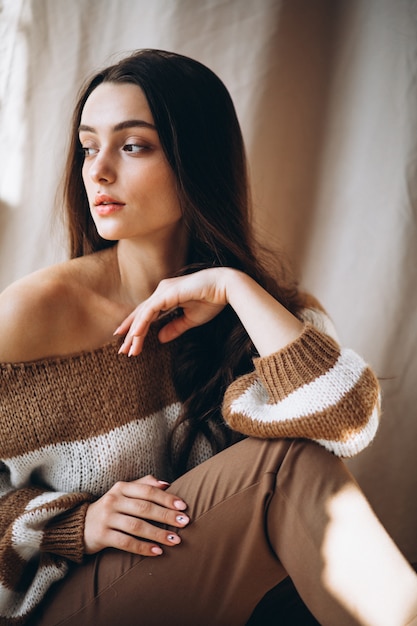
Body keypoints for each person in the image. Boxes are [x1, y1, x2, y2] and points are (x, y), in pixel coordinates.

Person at [0, 49, 416, 626]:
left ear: (196, 161)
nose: (97, 171)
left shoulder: (266, 316)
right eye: (89, 147)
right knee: (283, 467)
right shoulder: (30, 314)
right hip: (74, 605)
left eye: (133, 145)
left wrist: (233, 286)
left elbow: (347, 424)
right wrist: (77, 524)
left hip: (210, 586)